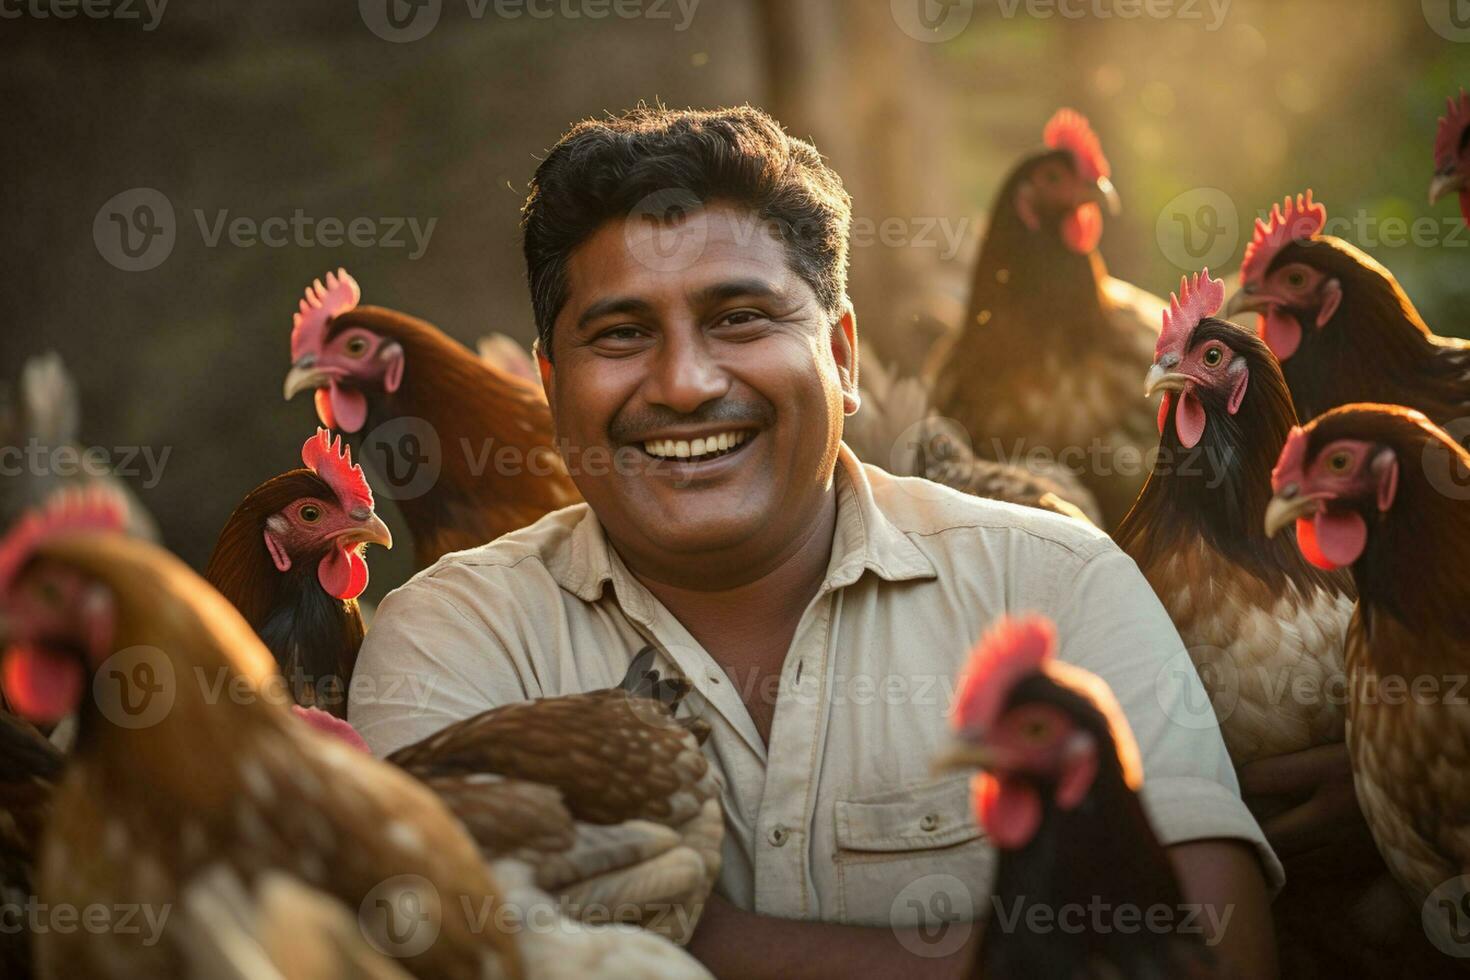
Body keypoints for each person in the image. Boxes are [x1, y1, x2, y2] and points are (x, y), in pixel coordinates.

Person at [349, 104, 1279, 977]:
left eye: (739, 319)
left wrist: (686, 936)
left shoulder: (1049, 579)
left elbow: (1213, 953)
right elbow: (424, 953)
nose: (683, 382)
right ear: (552, 385)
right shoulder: (455, 636)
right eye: (623, 332)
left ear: (839, 355)